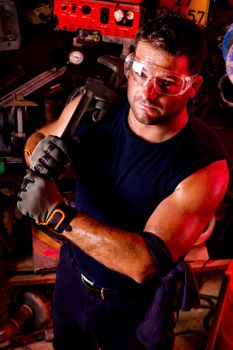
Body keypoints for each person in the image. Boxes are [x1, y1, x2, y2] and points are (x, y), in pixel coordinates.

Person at [17, 14, 230, 350]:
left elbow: (144, 263)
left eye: (167, 83)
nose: (147, 92)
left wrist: (57, 214)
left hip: (134, 306)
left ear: (194, 86)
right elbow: (39, 138)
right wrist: (39, 153)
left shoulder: (205, 167)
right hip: (72, 277)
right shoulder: (92, 107)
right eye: (141, 71)